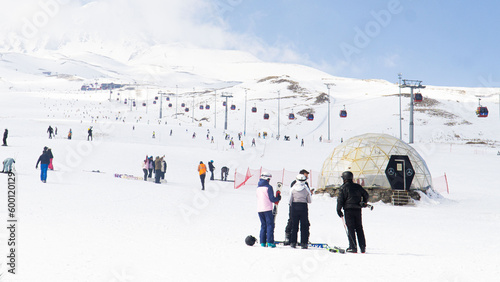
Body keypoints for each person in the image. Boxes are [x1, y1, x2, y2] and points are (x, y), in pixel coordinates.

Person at [336, 171, 369, 253]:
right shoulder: (358, 186)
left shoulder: (343, 188)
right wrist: (364, 202)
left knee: (350, 228)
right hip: (358, 209)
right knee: (359, 228)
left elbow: (340, 200)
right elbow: (366, 195)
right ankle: (362, 247)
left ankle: (353, 247)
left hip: (348, 210)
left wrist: (338, 210)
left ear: (344, 178)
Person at [284, 169, 313, 245]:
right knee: (298, 223)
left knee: (295, 224)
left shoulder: (294, 186)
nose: (307, 178)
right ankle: (300, 240)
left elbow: (290, 198)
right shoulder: (303, 186)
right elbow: (309, 198)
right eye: (306, 177)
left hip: (294, 205)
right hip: (302, 206)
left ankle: (293, 241)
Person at [256, 172, 281, 248]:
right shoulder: (268, 187)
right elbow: (272, 199)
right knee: (270, 225)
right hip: (267, 208)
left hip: (259, 209)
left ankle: (262, 242)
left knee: (263, 225)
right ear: (267, 179)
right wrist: (278, 198)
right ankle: (270, 242)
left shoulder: (258, 188)